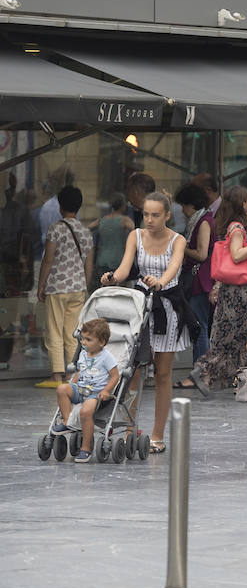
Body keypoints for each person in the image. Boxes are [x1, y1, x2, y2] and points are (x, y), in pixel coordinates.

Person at [100, 191, 193, 452]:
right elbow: (123, 268)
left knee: (163, 374)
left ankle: (157, 435)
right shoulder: (135, 236)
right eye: (145, 214)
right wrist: (112, 278)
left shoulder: (178, 239)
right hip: (140, 307)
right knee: (133, 371)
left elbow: (174, 266)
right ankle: (131, 432)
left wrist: (160, 281)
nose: (149, 220)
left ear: (166, 215)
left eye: (155, 215)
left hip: (167, 306)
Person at [190, 187, 247, 392]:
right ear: (242, 203)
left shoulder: (229, 226)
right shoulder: (237, 228)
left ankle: (229, 379)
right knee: (241, 337)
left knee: (230, 336)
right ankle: (207, 371)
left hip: (230, 291)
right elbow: (236, 255)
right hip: (240, 292)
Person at [36, 186, 93, 389]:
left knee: (54, 331)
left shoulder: (56, 228)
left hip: (57, 287)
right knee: (72, 333)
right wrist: (84, 285)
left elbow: (48, 260)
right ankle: (74, 375)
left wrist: (41, 284)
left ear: (60, 207)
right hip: (78, 288)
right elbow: (89, 264)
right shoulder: (86, 231)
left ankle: (57, 376)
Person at [55, 318, 119, 464]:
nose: (83, 342)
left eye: (88, 340)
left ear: (101, 342)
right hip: (81, 388)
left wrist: (107, 390)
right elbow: (80, 371)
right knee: (62, 389)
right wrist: (73, 383)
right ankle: (67, 422)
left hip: (96, 393)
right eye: (82, 339)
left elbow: (115, 376)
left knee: (86, 411)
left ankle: (86, 447)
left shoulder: (106, 357)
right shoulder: (83, 354)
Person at [174, 183, 214, 366]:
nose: (182, 210)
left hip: (201, 279)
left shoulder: (204, 221)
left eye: (184, 205)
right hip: (199, 279)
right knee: (199, 324)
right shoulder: (200, 220)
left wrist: (183, 247)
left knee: (199, 325)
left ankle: (200, 369)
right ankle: (199, 368)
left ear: (192, 204)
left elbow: (202, 254)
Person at [93, 194, 134, 290]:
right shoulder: (124, 220)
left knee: (104, 289)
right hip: (118, 260)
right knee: (119, 292)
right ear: (123, 205)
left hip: (102, 259)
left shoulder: (102, 220)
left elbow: (89, 227)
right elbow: (134, 229)